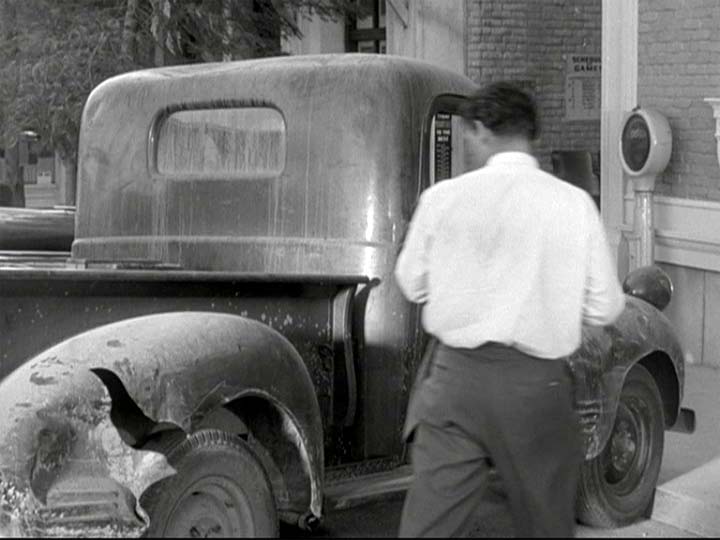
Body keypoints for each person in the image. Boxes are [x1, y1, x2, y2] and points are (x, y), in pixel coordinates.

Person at [394, 82, 625, 538]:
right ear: (528, 135)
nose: (467, 148)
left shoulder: (442, 199)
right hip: (535, 385)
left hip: (454, 383)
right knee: (545, 522)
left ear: (481, 130)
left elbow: (410, 282)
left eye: (467, 138)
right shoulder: (573, 204)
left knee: (430, 525)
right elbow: (606, 305)